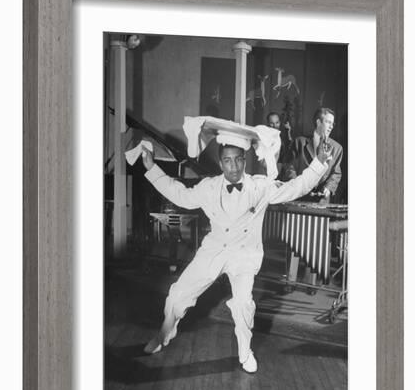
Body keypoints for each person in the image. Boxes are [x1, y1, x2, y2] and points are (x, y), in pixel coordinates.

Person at [140, 134, 332, 373]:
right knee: (177, 295)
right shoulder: (208, 187)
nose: (234, 167)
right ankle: (163, 335)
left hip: (244, 255)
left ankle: (245, 353)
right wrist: (151, 168)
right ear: (220, 164)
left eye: (238, 160)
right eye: (228, 161)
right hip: (214, 250)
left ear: (244, 161)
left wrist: (319, 163)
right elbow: (180, 194)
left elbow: (295, 188)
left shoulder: (260, 186)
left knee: (242, 304)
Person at [283, 107, 343, 203]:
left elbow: (336, 173)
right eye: (328, 122)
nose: (331, 126)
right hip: (298, 198)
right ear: (318, 122)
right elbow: (289, 167)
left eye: (333, 123)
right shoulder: (299, 142)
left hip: (321, 201)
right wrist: (296, 186)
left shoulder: (337, 148)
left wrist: (328, 188)